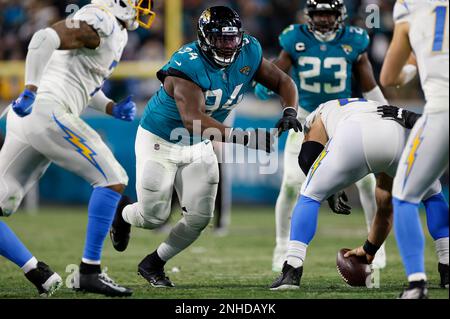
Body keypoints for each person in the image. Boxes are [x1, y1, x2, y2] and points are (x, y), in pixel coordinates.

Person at [110, 6, 302, 288]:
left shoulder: (249, 50)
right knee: (154, 217)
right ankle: (123, 212)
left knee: (200, 218)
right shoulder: (186, 64)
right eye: (220, 38)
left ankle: (153, 263)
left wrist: (290, 112)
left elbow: (283, 81)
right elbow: (193, 121)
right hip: (161, 141)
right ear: (204, 38)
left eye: (232, 38)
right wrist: (248, 138)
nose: (228, 45)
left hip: (199, 145)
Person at [0, 0, 157, 297]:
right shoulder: (102, 19)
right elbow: (43, 38)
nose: (144, 7)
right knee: (112, 177)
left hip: (30, 118)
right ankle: (89, 272)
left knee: (3, 199)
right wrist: (31, 89)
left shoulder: (114, 29)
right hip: (46, 110)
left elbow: (79, 79)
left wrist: (109, 106)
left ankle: (36, 271)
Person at [254, 0, 388, 272]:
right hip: (307, 118)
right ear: (309, 16)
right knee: (291, 184)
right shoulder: (295, 38)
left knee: (366, 183)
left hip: (345, 117)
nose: (324, 19)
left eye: (329, 13)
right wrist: (265, 86)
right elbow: (278, 72)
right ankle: (282, 246)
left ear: (340, 15)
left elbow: (368, 84)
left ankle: (377, 246)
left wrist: (385, 111)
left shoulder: (355, 40)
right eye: (319, 14)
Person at [269, 99, 447, 293]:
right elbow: (386, 208)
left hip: (354, 132)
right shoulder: (375, 105)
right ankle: (447, 267)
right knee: (433, 196)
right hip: (398, 133)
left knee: (310, 195)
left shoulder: (322, 110)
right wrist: (368, 251)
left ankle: (292, 269)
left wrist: (329, 191)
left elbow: (308, 155)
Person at [379, 0, 449, 299]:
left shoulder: (409, 7)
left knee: (405, 197)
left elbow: (389, 78)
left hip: (442, 111)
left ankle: (417, 284)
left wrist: (417, 62)